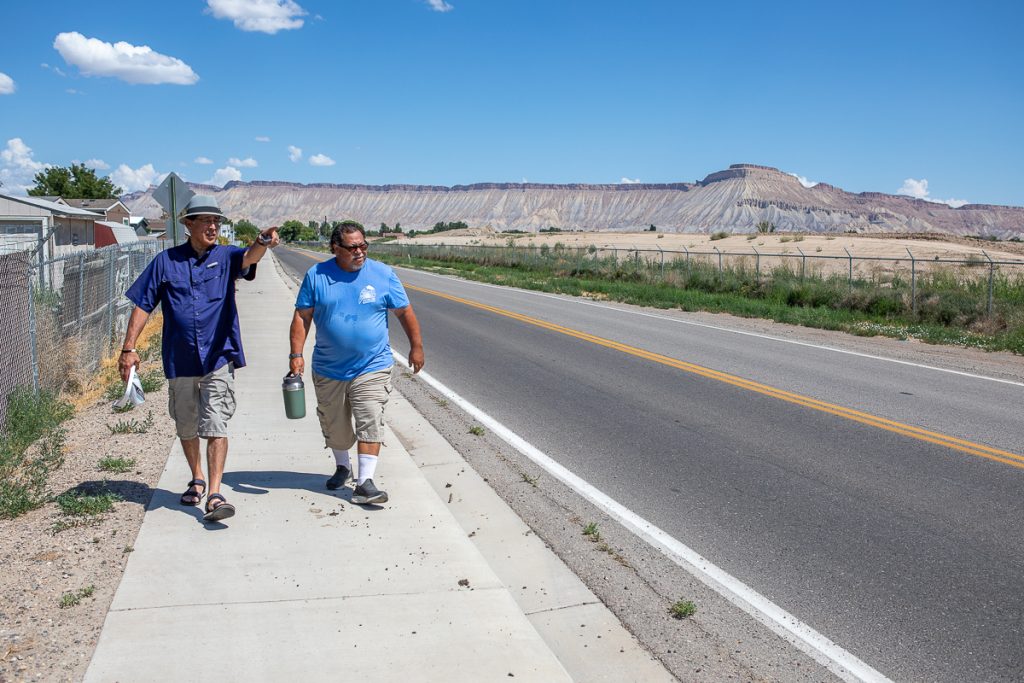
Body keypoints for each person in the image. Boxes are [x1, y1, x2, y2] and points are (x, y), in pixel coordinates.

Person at [119, 195, 279, 522]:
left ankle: (216, 492)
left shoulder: (227, 256)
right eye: (205, 221)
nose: (212, 226)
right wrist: (128, 348)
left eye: (216, 221)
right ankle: (197, 478)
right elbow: (143, 304)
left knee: (215, 423)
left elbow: (250, 257)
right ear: (188, 224)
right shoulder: (166, 262)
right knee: (186, 424)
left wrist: (262, 240)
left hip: (218, 358)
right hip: (180, 359)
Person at [289, 220, 424, 505]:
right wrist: (296, 354)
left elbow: (404, 312)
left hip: (372, 364)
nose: (360, 252)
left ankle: (365, 482)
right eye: (353, 247)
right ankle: (342, 466)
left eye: (364, 245)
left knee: (370, 418)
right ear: (335, 248)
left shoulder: (383, 274)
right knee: (335, 426)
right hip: (329, 367)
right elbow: (302, 317)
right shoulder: (317, 275)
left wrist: (416, 347)